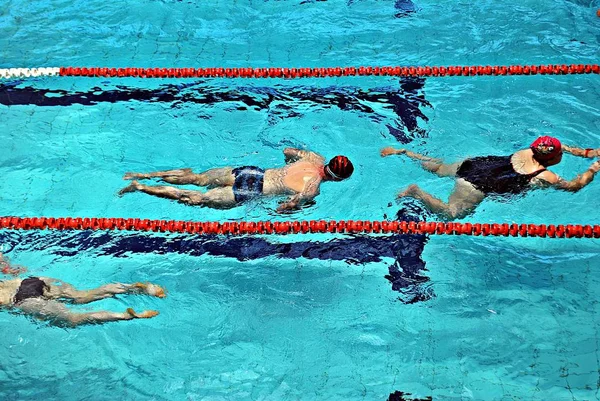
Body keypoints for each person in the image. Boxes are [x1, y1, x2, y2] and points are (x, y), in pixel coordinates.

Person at [381, 136, 600, 219]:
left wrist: (588, 152)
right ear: (553, 158)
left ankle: (405, 153)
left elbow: (562, 147)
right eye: (561, 153)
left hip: (474, 164)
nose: (564, 153)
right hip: (475, 185)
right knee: (451, 215)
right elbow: (574, 186)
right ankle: (416, 192)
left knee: (437, 168)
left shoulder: (530, 149)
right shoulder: (545, 176)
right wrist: (594, 167)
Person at [119, 148, 354, 212]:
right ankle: (140, 187)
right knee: (196, 199)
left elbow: (288, 151)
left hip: (252, 172)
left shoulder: (314, 157)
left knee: (197, 178)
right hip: (251, 192)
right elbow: (284, 208)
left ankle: (144, 175)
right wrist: (294, 207)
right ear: (338, 180)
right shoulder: (312, 189)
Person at [0, 252, 165, 327]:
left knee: (73, 318)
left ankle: (124, 315)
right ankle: (132, 288)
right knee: (82, 296)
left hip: (22, 299)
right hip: (30, 281)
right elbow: (9, 268)